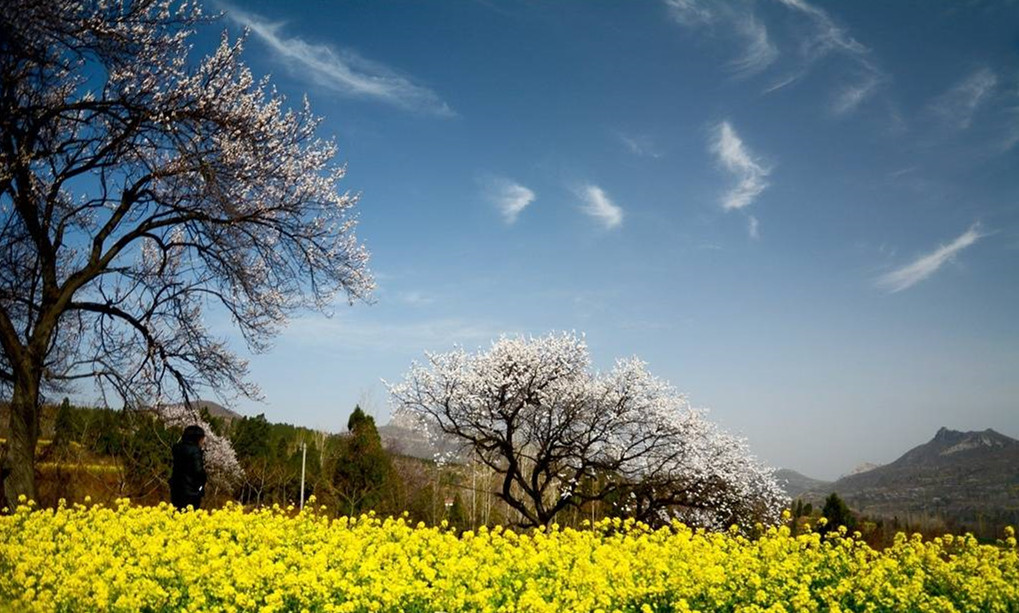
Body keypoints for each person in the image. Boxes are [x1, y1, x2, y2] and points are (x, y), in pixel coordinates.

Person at [170, 425, 207, 511]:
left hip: (176, 489)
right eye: (202, 438)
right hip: (191, 492)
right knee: (190, 516)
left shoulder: (177, 448)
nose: (203, 441)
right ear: (197, 438)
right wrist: (202, 482)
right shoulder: (195, 451)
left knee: (177, 514)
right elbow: (198, 471)